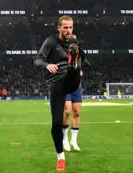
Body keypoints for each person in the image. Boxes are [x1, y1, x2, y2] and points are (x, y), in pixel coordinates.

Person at [34, 15, 91, 171]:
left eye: (70, 27)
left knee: (74, 69)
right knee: (56, 124)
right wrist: (47, 65)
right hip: (56, 84)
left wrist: (80, 64)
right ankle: (61, 157)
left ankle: (72, 65)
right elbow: (38, 59)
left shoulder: (75, 43)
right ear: (59, 28)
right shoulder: (51, 41)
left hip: (72, 81)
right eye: (65, 27)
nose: (68, 30)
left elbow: (86, 59)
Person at [63, 71, 83, 152]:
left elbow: (85, 62)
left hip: (76, 85)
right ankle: (65, 138)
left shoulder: (80, 58)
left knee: (77, 113)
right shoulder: (63, 58)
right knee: (67, 111)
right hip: (65, 85)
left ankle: (73, 140)